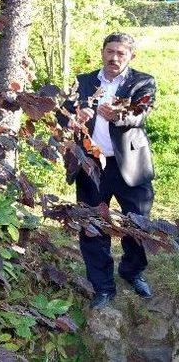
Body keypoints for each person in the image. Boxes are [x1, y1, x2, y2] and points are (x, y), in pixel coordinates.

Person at [64, 32, 156, 309]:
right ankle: (102, 287)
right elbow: (63, 111)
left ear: (130, 57)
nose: (114, 58)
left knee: (138, 223)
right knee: (92, 225)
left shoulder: (142, 82)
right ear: (102, 52)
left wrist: (118, 115)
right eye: (110, 51)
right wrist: (72, 117)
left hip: (129, 163)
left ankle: (132, 271)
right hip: (91, 165)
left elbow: (140, 113)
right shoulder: (83, 82)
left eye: (121, 53)